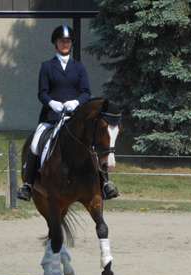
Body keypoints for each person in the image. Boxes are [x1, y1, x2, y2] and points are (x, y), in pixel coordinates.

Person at [17, 25, 119, 202]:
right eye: (62, 41)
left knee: (92, 144)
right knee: (35, 144)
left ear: (71, 44)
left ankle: (104, 184)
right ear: (55, 43)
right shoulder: (47, 66)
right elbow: (42, 92)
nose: (65, 44)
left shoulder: (78, 67)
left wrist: (76, 102)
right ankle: (28, 184)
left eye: (68, 41)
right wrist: (52, 103)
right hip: (51, 117)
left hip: (75, 117)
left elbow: (86, 92)